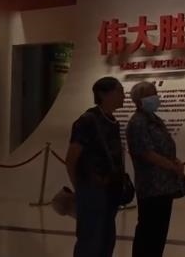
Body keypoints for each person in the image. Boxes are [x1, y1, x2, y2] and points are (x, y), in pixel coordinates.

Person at [126, 81, 185, 257]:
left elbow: (163, 147)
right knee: (148, 232)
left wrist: (175, 162)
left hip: (164, 186)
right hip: (151, 187)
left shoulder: (153, 120)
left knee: (159, 233)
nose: (155, 97)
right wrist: (172, 166)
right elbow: (146, 153)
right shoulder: (138, 123)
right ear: (139, 99)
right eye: (151, 94)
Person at [66, 77, 127, 257]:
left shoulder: (112, 121)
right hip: (93, 190)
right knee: (90, 239)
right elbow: (71, 158)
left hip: (110, 191)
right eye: (119, 91)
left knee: (106, 240)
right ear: (103, 94)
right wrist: (81, 187)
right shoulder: (87, 121)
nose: (124, 96)